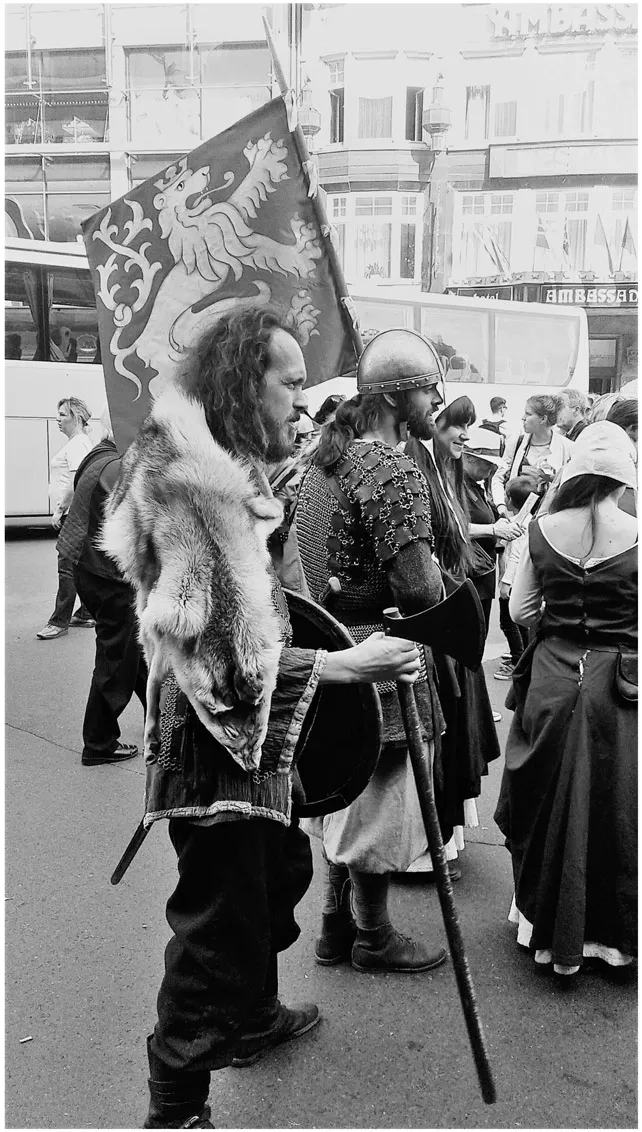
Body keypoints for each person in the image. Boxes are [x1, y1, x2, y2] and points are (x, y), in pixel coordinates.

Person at [100, 309, 428, 1129]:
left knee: (278, 873)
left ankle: (249, 1016)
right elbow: (226, 656)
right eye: (289, 382)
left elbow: (271, 606)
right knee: (217, 928)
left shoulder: (229, 467)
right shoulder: (196, 485)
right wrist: (351, 664)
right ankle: (175, 1106)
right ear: (248, 384)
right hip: (218, 736)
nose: (300, 398)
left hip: (247, 733)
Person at [295, 327, 451, 967]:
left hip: (332, 648)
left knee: (340, 796)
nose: (434, 400)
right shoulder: (391, 469)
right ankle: (375, 936)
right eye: (426, 388)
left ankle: (334, 927)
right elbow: (421, 590)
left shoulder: (322, 459)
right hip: (380, 655)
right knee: (377, 807)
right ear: (395, 395)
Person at [494, 421, 637, 977]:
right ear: (622, 477)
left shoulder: (542, 528)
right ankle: (609, 936)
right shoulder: (637, 533)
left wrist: (559, 629)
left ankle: (544, 925)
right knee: (615, 806)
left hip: (553, 675)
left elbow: (519, 611)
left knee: (543, 798)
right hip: (618, 684)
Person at [405, 398, 503, 875]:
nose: (464, 434)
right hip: (429, 616)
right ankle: (421, 850)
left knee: (451, 729)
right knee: (433, 733)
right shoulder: (414, 464)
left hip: (446, 608)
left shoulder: (449, 469)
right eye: (455, 425)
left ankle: (438, 841)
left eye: (468, 425)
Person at [56, 405, 147, 766]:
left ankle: (167, 718)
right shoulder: (119, 465)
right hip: (106, 576)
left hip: (87, 569)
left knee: (134, 653)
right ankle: (98, 743)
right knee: (117, 658)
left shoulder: (101, 454)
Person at [36, 397, 95, 640]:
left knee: (66, 567)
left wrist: (60, 510)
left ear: (77, 417)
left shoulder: (78, 445)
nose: (58, 419)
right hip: (76, 512)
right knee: (80, 566)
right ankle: (86, 613)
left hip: (72, 513)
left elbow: (74, 482)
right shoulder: (78, 443)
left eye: (63, 415)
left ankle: (59, 621)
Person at [492, 393, 574, 516]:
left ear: (543, 419)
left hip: (548, 518)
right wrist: (501, 506)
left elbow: (572, 486)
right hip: (515, 518)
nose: (523, 418)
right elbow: (499, 477)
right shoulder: (516, 443)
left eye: (528, 414)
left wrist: (549, 478)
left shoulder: (568, 447)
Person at [493, 476, 533, 681]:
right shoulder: (525, 520)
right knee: (518, 623)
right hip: (521, 581)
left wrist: (505, 584)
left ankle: (518, 660)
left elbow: (516, 556)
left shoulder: (520, 526)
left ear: (509, 499)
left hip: (513, 582)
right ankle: (524, 656)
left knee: (508, 623)